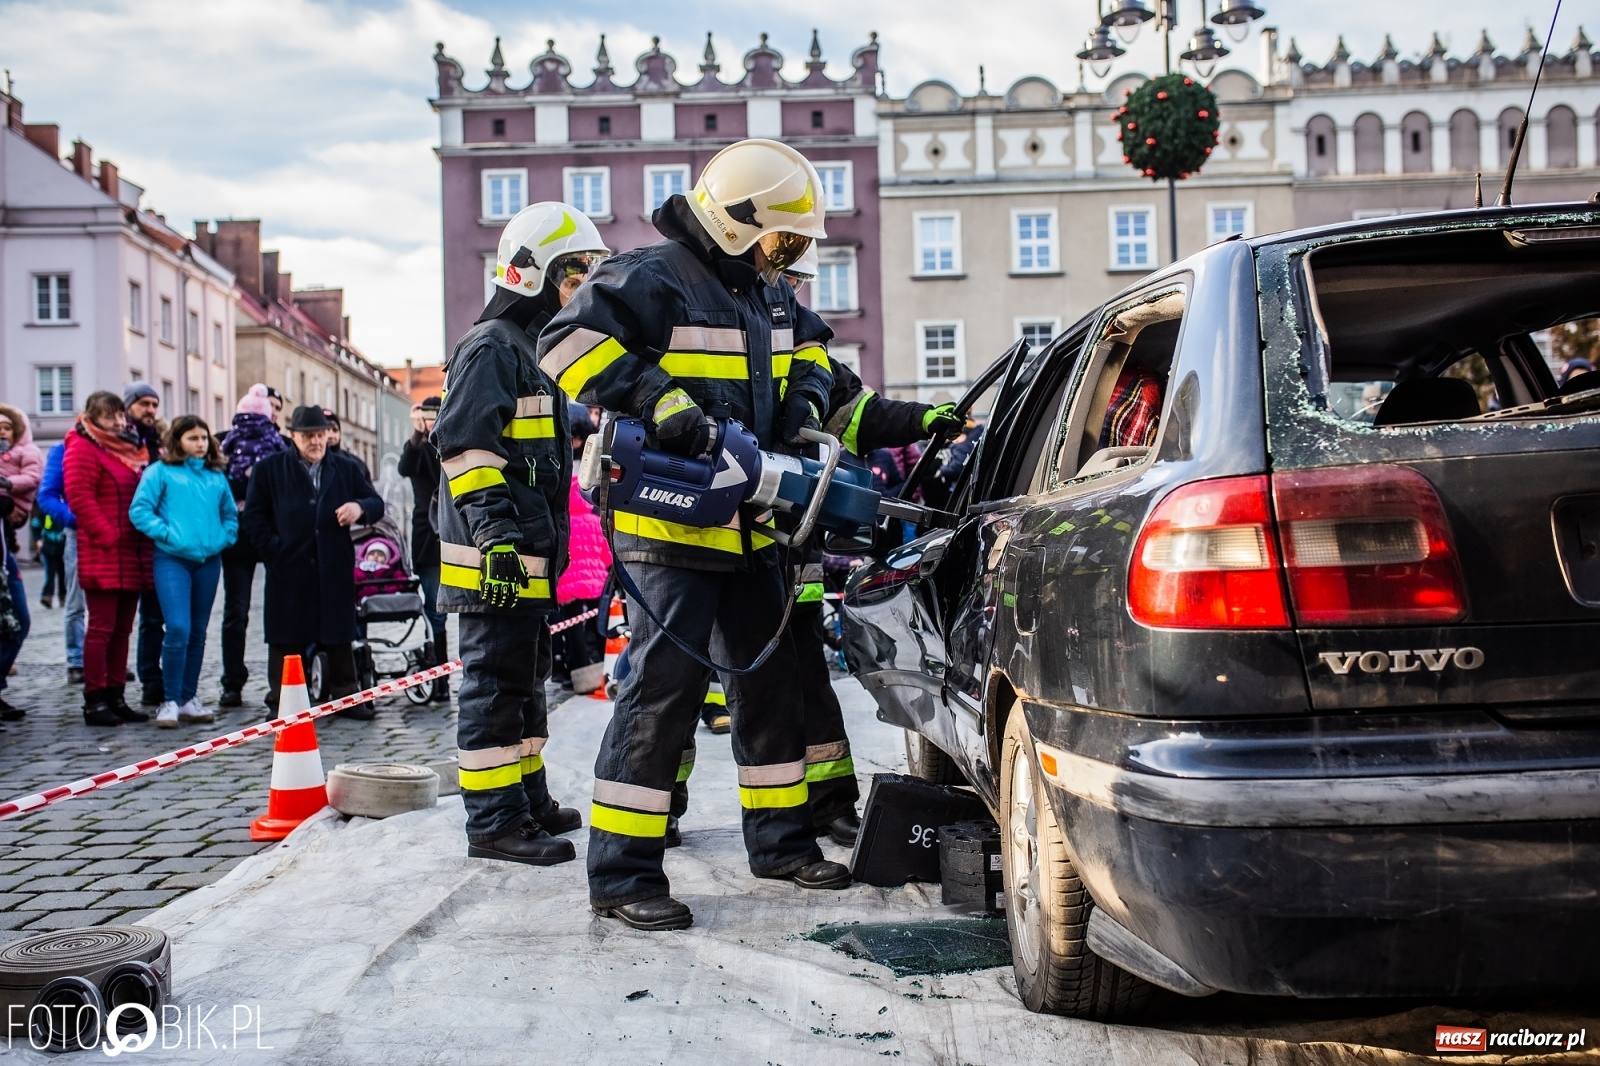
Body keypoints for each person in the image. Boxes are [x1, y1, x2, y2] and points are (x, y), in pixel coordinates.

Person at [539, 138, 851, 931]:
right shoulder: (651, 276)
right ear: (738, 222)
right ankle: (622, 876)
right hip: (670, 529)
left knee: (770, 687)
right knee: (659, 698)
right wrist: (655, 397)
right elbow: (564, 345)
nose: (789, 256)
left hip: (753, 527)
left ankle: (781, 843)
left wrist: (808, 402)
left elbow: (816, 350)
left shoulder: (767, 296)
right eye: (782, 239)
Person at [433, 200, 606, 866]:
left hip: (526, 560)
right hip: (494, 562)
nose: (579, 290)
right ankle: (494, 822)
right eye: (572, 275)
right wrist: (496, 541)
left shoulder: (530, 351)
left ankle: (527, 800)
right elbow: (468, 452)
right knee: (494, 691)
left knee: (527, 686)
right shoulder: (489, 349)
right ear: (530, 273)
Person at [241, 405, 383, 717]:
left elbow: (376, 503)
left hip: (333, 566)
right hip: (288, 568)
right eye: (308, 436)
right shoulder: (270, 469)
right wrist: (275, 550)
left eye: (320, 435)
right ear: (293, 437)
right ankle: (284, 702)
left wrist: (359, 508)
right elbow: (253, 519)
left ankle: (345, 697)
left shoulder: (347, 468)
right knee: (286, 640)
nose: (316, 442)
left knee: (339, 636)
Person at [130, 415, 237, 727]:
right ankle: (169, 700)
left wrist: (223, 538)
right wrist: (166, 534)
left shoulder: (216, 476)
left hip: (208, 561)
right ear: (177, 441)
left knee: (198, 632)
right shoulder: (159, 472)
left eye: (203, 438)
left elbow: (230, 515)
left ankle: (189, 698)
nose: (200, 444)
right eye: (192, 438)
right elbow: (140, 510)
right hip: (171, 559)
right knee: (177, 627)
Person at [62, 391, 153, 727]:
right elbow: (79, 497)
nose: (117, 422)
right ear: (92, 417)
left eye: (119, 416)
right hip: (104, 550)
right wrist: (107, 535)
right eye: (109, 416)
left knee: (122, 630)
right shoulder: (83, 448)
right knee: (100, 628)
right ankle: (95, 698)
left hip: (131, 551)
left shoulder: (127, 449)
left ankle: (116, 695)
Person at [216, 384, 292, 707]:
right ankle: (233, 682)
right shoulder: (224, 443)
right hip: (236, 539)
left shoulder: (284, 445)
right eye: (270, 406)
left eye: (278, 408)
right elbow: (217, 487)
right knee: (236, 611)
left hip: (273, 536)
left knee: (283, 607)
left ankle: (285, 683)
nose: (274, 412)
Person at [552, 403, 610, 692]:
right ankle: (597, 670)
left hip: (571, 564)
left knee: (572, 622)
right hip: (594, 564)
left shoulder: (563, 468)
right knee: (594, 620)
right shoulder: (590, 509)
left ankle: (577, 674)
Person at [396, 395, 446, 690]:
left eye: (435, 413)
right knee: (435, 611)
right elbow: (406, 466)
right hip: (427, 537)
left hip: (455, 534)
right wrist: (418, 433)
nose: (431, 419)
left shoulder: (454, 440)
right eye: (427, 415)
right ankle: (438, 680)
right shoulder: (417, 447)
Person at [122, 383, 167, 707]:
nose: (150, 410)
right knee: (118, 619)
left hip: (155, 544)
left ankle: (151, 680)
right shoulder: (117, 441)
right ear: (129, 406)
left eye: (154, 404)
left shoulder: (162, 443)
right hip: (121, 540)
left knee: (154, 617)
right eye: (143, 403)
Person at [37, 440, 84, 684]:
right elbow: (46, 497)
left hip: (113, 533)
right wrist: (72, 519)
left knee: (109, 604)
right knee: (75, 599)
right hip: (72, 535)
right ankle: (76, 659)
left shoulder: (121, 444)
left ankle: (104, 659)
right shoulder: (64, 448)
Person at [31, 511, 66, 608]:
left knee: (63, 574)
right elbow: (35, 524)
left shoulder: (65, 511)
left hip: (63, 548)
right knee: (50, 573)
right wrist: (38, 540)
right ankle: (47, 596)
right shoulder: (45, 513)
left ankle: (63, 596)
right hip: (48, 548)